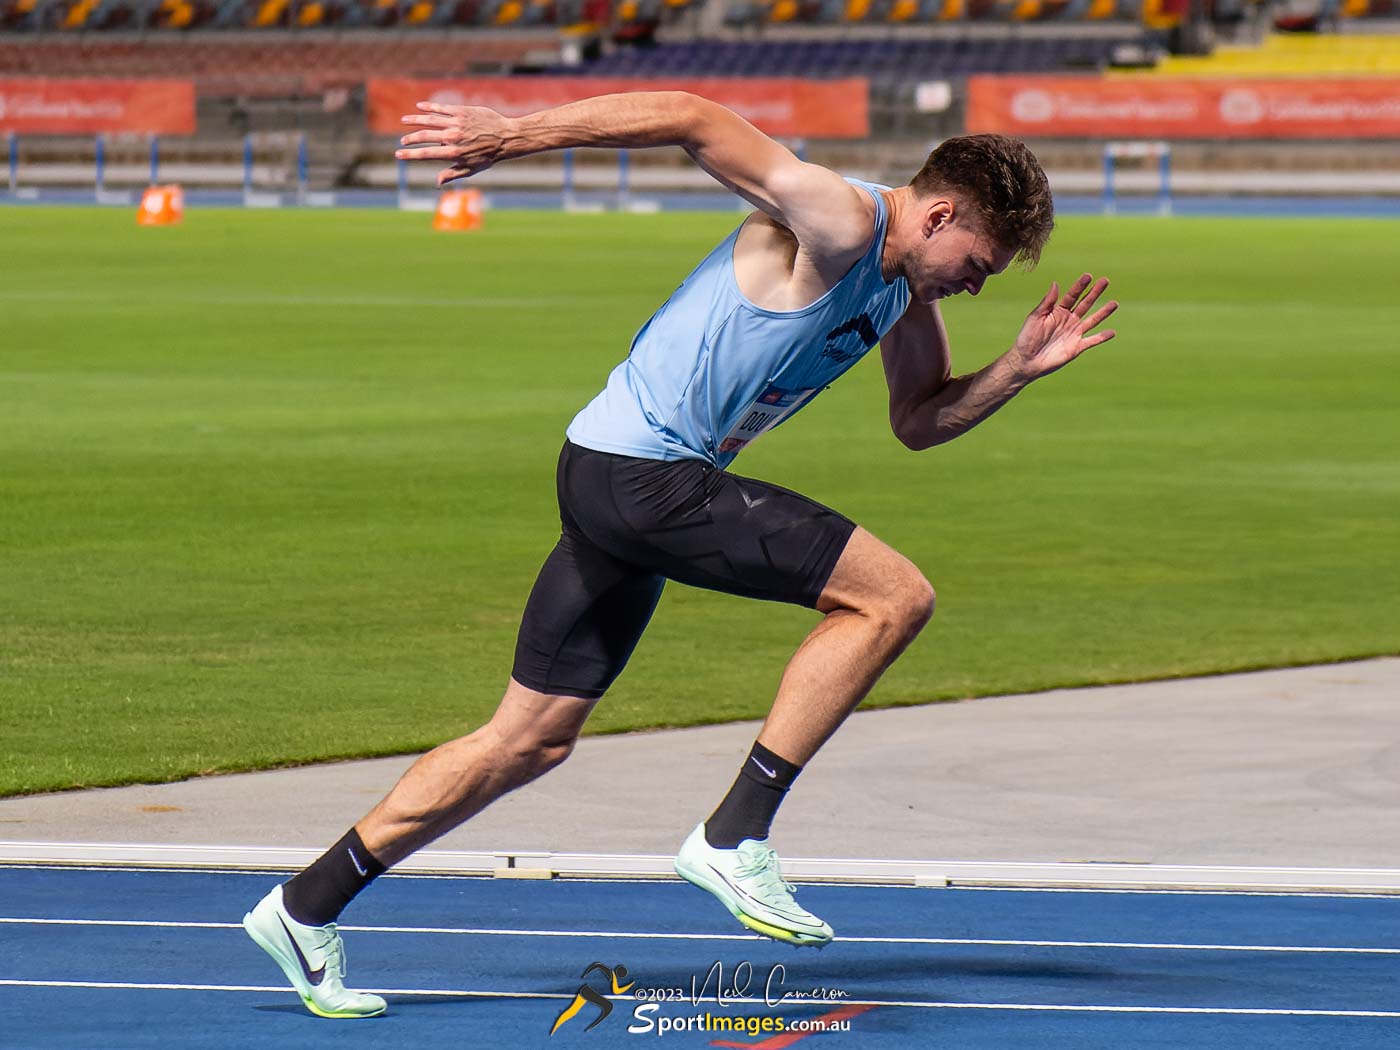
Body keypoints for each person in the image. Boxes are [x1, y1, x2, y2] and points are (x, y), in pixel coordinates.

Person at [242, 91, 1118, 1019]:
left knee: (529, 739)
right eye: (977, 264)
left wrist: (1014, 371)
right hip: (643, 476)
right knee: (891, 598)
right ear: (938, 216)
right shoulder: (840, 219)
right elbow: (694, 118)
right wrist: (516, 132)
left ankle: (303, 908)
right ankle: (735, 835)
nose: (976, 286)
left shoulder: (900, 289)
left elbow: (919, 420)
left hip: (615, 474)